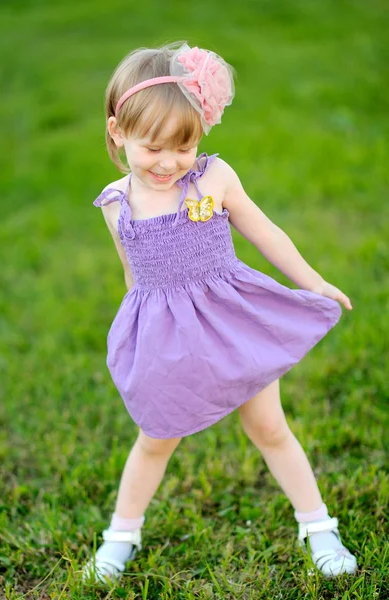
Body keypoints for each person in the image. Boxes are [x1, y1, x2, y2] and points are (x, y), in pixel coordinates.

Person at [83, 41, 357, 583]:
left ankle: (318, 524)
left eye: (184, 146)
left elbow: (266, 233)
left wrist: (314, 282)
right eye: (153, 148)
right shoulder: (116, 203)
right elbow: (133, 277)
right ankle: (121, 535)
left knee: (269, 428)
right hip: (164, 334)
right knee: (156, 437)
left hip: (231, 322)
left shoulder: (213, 179)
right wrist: (136, 338)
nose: (169, 163)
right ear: (118, 132)